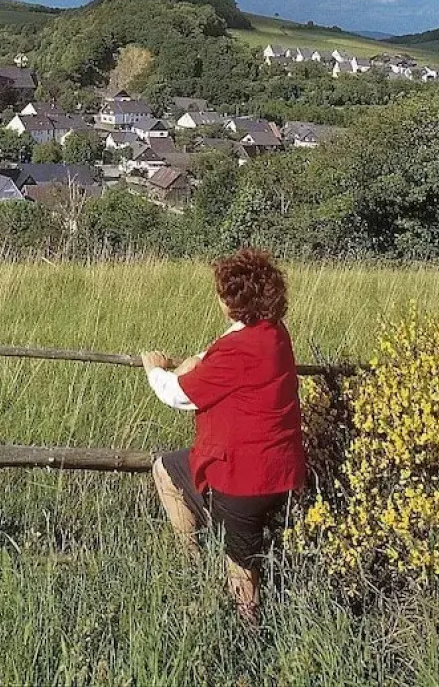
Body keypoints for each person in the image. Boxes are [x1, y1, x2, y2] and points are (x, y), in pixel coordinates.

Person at [141, 248, 306, 623]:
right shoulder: (274, 334)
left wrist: (154, 370)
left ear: (229, 301)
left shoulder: (239, 350)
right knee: (168, 467)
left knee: (242, 566)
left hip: (245, 476)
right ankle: (200, 569)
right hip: (282, 469)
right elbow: (222, 352)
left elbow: (179, 394)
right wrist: (197, 361)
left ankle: (244, 627)